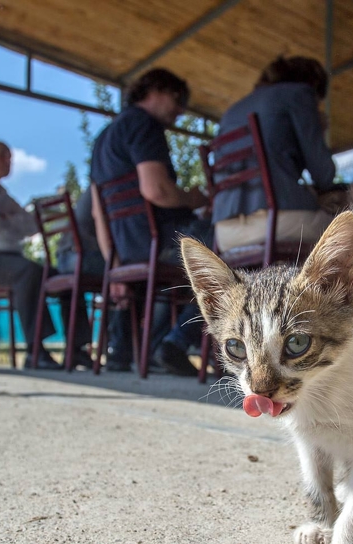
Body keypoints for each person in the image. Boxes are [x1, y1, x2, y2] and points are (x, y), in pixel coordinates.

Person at [89, 68, 211, 376]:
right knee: (227, 252)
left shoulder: (102, 139)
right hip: (159, 242)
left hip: (129, 247)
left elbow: (98, 212)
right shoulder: (144, 125)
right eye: (178, 99)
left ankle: (140, 349)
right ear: (155, 90)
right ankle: (175, 343)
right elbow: (156, 190)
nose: (181, 110)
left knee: (167, 282)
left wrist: (113, 264)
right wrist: (194, 199)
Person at [0, 140, 92, 370]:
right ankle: (36, 351)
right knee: (28, 272)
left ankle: (77, 347)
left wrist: (6, 220)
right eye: (2, 155)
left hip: (12, 261)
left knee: (67, 277)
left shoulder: (1, 194)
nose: (8, 161)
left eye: (10, 156)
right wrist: (6, 222)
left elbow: (31, 225)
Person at [211, 55, 343, 252]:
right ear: (314, 84)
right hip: (275, 223)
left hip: (225, 232)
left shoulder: (230, 112)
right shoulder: (300, 94)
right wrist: (319, 129)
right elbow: (324, 175)